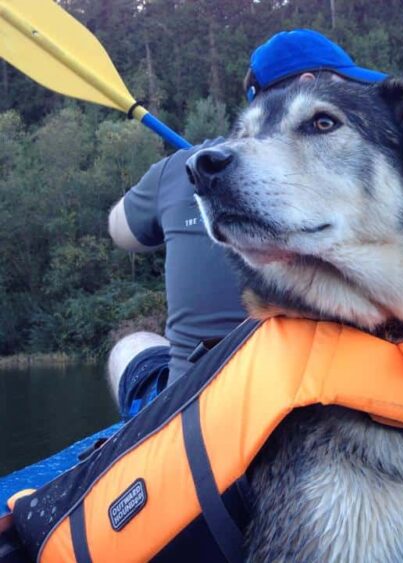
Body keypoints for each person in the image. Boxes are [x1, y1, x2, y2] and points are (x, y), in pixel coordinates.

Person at [107, 29, 386, 419]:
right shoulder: (366, 181)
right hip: (334, 411)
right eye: (349, 84)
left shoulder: (182, 169)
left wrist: (165, 195)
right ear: (312, 84)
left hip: (195, 424)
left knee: (133, 345)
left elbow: (120, 231)